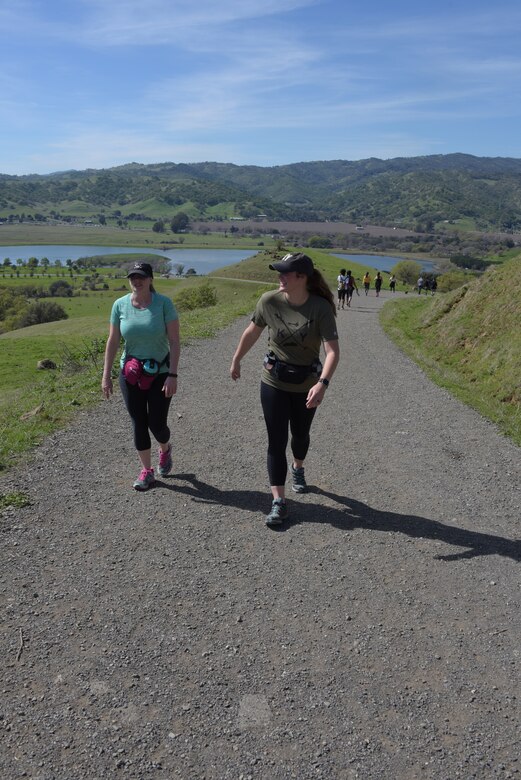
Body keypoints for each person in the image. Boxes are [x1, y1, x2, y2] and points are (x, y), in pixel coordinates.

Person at [230, 252, 339, 527]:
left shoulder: (320, 308)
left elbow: (332, 351)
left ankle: (298, 467)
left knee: (300, 435)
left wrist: (322, 384)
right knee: (276, 441)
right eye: (279, 272)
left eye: (285, 273)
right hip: (274, 382)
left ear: (302, 278)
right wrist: (236, 359)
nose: (279, 277)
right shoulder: (269, 301)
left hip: (306, 385)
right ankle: (278, 501)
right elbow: (252, 332)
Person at [101, 261, 180, 491]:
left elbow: (174, 341)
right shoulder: (120, 305)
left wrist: (172, 374)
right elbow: (113, 341)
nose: (137, 281)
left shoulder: (164, 304)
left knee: (157, 424)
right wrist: (106, 375)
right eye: (133, 277)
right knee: (139, 422)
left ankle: (165, 448)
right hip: (131, 373)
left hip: (160, 373)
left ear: (150, 279)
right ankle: (147, 471)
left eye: (141, 277)